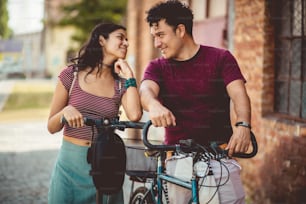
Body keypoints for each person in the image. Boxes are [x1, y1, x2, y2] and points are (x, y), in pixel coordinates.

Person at [139, 1, 252, 203]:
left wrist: (243, 125)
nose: (157, 43)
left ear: (180, 30)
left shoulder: (220, 58)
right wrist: (154, 105)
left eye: (161, 35)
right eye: (154, 37)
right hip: (178, 159)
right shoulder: (157, 67)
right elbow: (146, 90)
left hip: (220, 157)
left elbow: (239, 93)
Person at [47, 22, 142, 204]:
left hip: (106, 166)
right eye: (120, 37)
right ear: (101, 40)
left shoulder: (121, 84)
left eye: (127, 39)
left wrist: (130, 76)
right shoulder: (71, 75)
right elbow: (51, 126)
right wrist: (65, 112)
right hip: (70, 167)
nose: (126, 43)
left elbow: (135, 114)